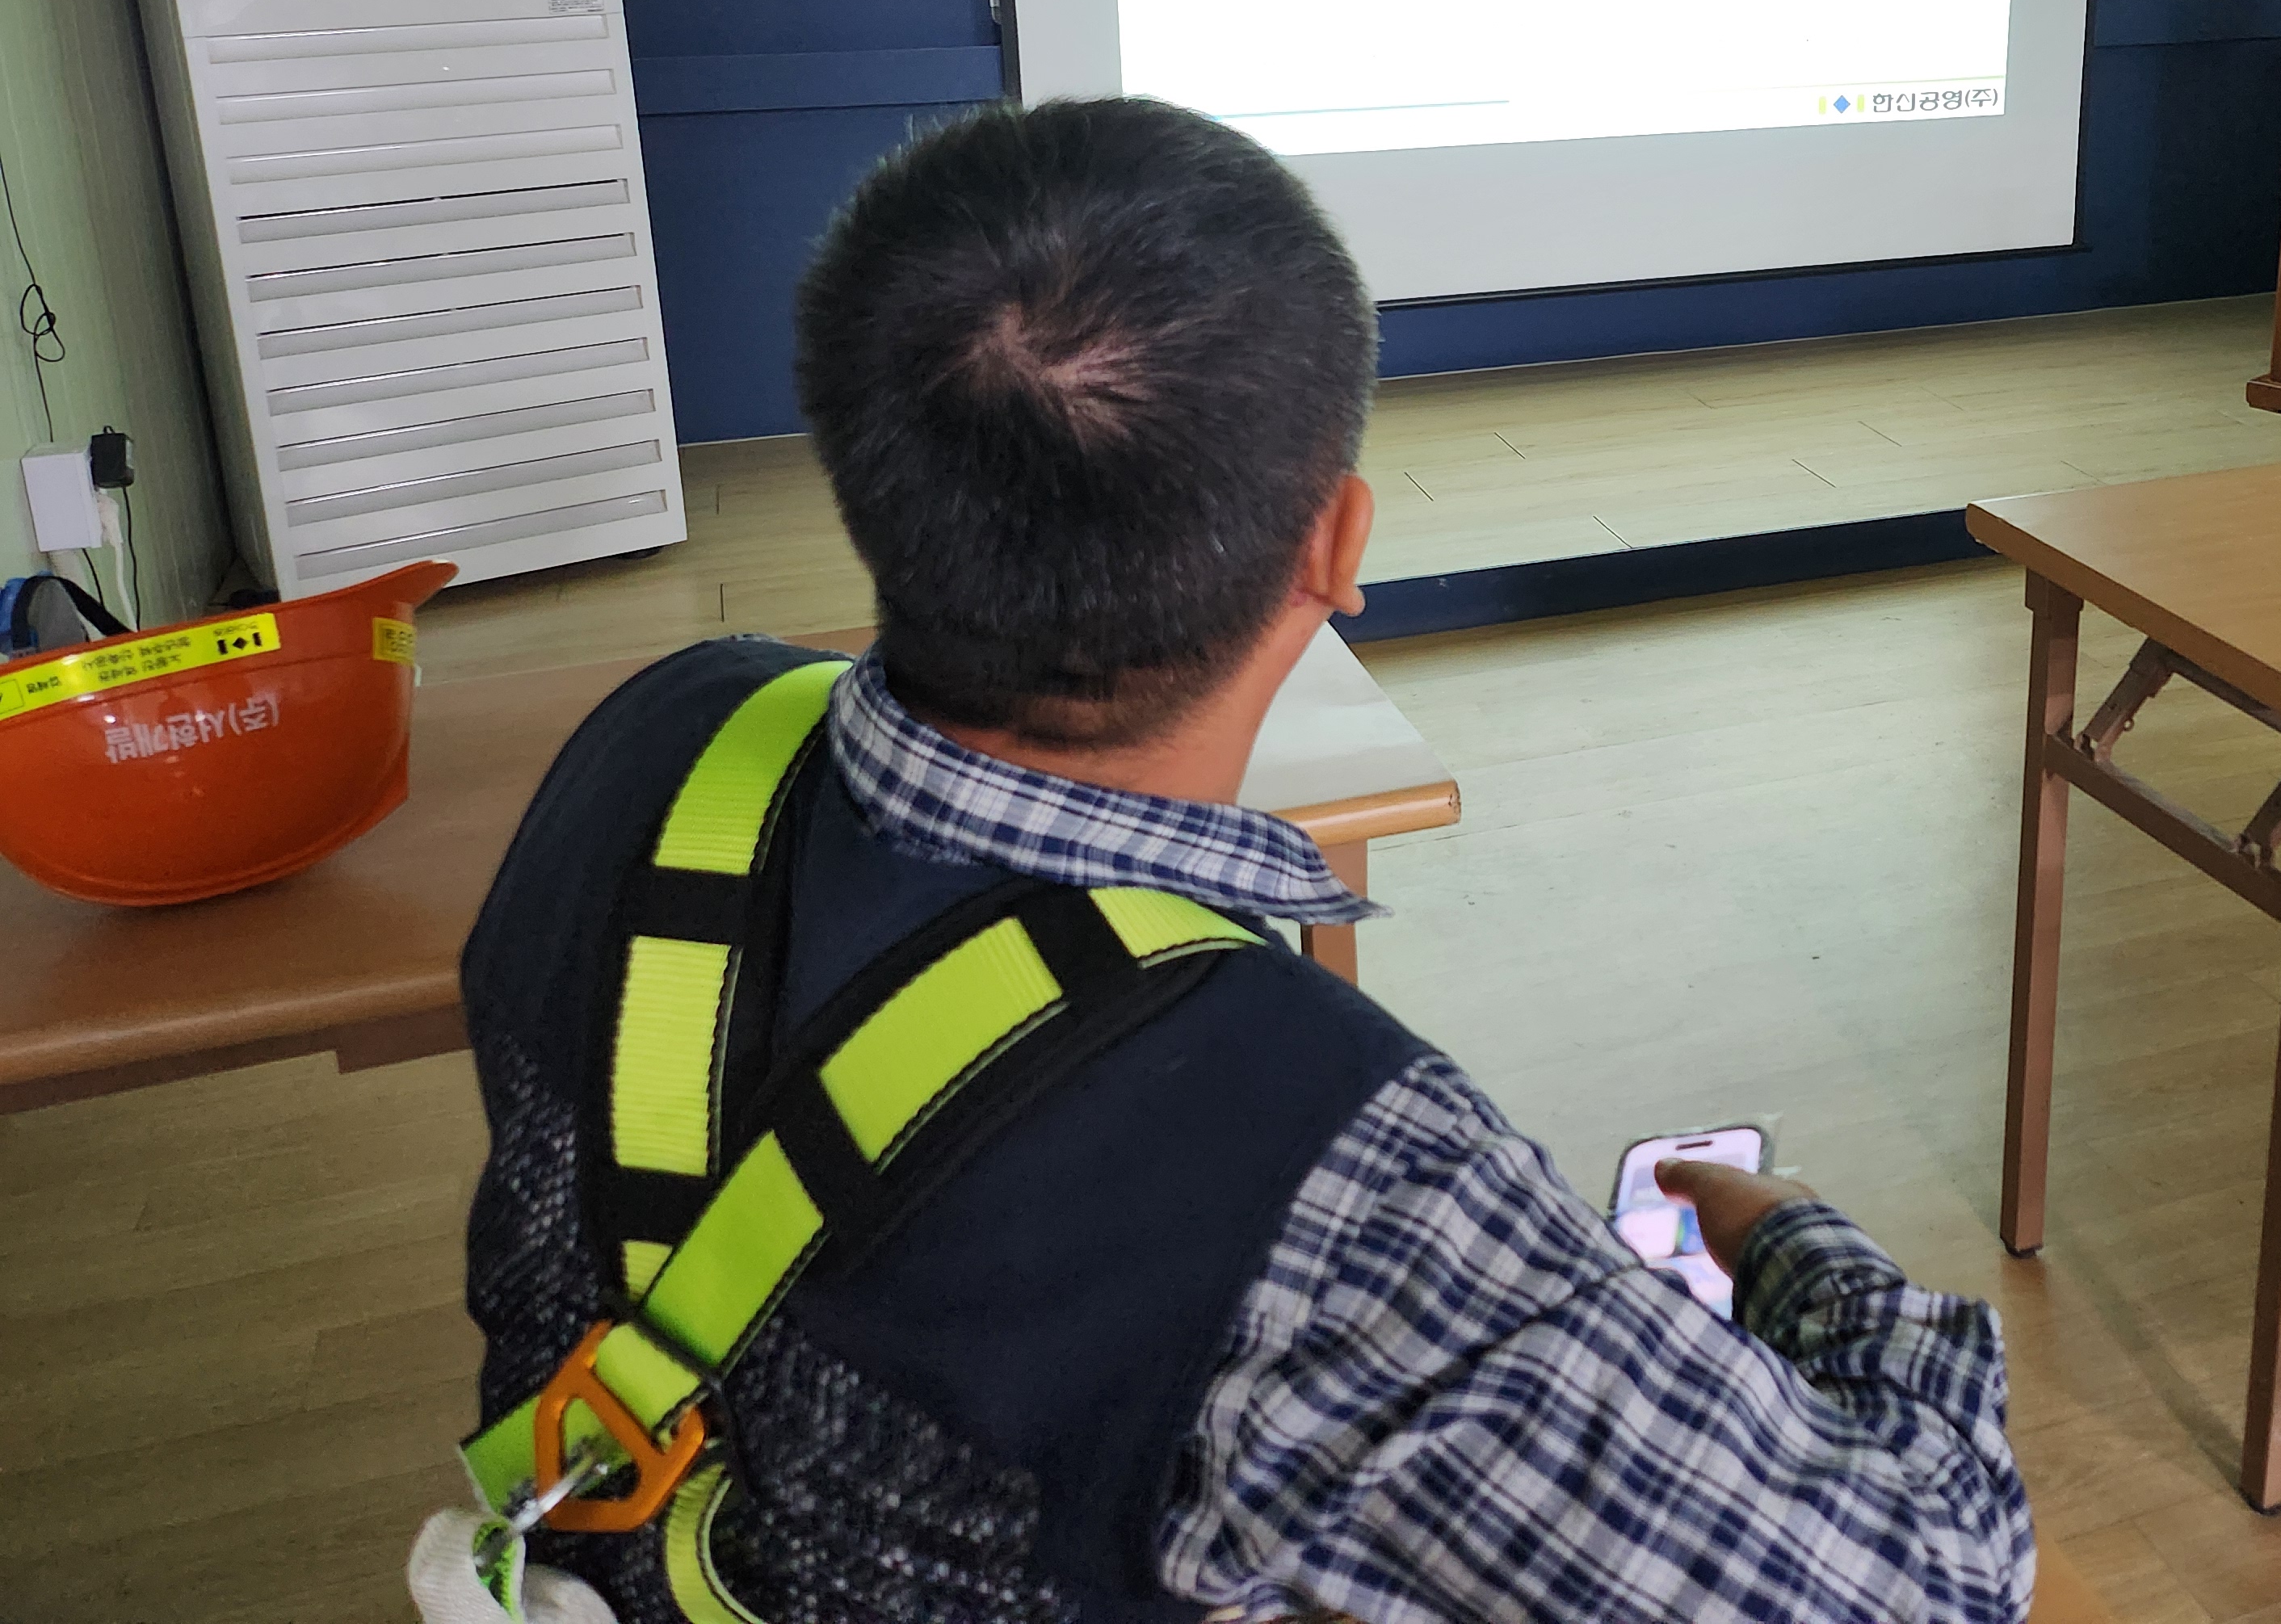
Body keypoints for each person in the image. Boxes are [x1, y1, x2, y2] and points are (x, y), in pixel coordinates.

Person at [444, 98, 2033, 1624]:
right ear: (1336, 545)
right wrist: (1802, 1251)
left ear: (865, 485)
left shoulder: (661, 733)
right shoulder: (1335, 1181)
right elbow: (1936, 1583)